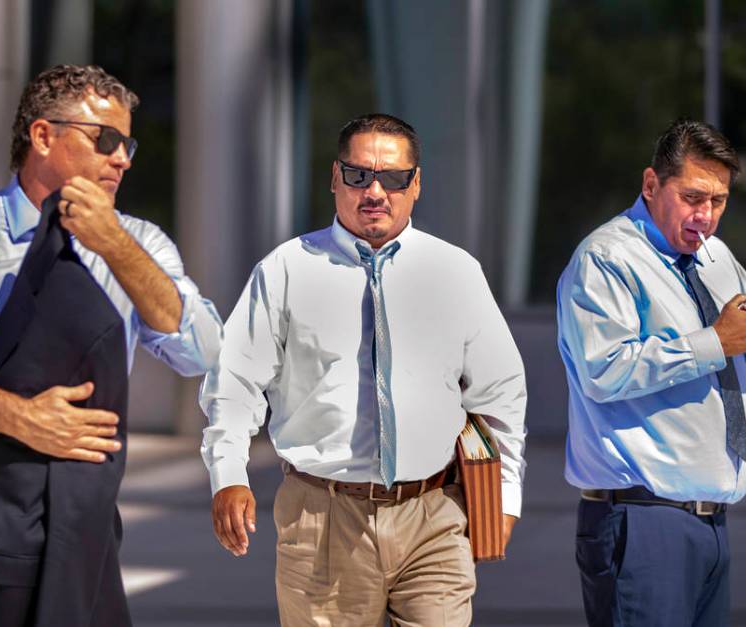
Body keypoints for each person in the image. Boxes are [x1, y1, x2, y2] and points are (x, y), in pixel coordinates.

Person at [0, 64, 223, 625]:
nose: (123, 158)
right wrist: (22, 418)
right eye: (105, 140)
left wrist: (114, 245)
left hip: (83, 520)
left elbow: (201, 352)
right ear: (42, 136)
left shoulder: (140, 244)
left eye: (127, 143)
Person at [199, 113, 527, 626]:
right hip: (323, 518)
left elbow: (500, 391)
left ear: (415, 184)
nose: (375, 190)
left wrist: (506, 497)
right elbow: (235, 381)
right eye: (358, 175)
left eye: (393, 178)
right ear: (335, 178)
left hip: (434, 516)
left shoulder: (455, 271)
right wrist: (227, 475)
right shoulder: (286, 269)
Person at [556, 118, 746, 626]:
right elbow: (605, 370)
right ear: (650, 185)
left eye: (719, 201)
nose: (704, 216)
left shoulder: (716, 256)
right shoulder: (605, 259)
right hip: (641, 521)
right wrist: (716, 342)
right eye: (691, 197)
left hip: (710, 522)